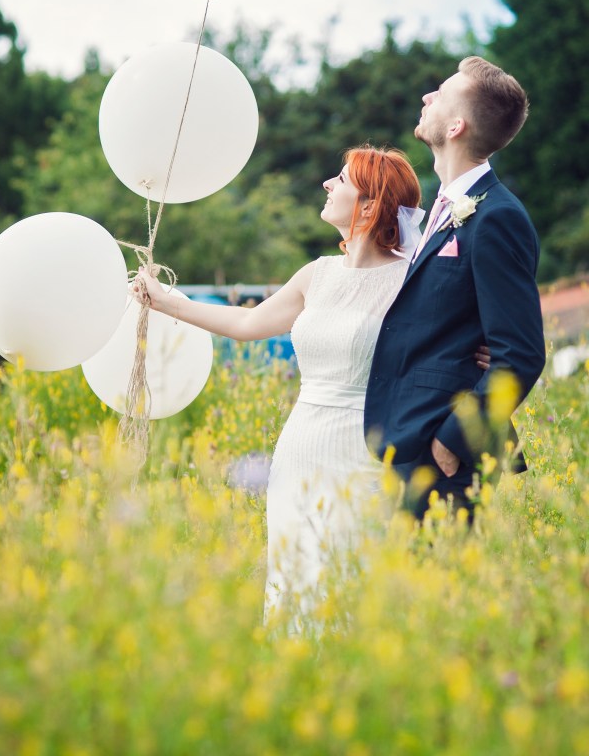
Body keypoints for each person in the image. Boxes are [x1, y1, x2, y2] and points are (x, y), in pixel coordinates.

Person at [134, 146, 489, 620]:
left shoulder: (413, 279)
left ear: (369, 204)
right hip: (300, 449)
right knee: (295, 583)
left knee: (352, 585)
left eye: (340, 179)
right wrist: (164, 302)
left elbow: (460, 343)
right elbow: (247, 323)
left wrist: (478, 357)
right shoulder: (316, 274)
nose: (326, 184)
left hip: (366, 454)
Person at [365, 57, 546, 518]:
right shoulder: (444, 206)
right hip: (404, 434)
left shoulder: (497, 215)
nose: (427, 97)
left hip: (441, 451)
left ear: (457, 126)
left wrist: (453, 441)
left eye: (440, 93)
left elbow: (521, 352)